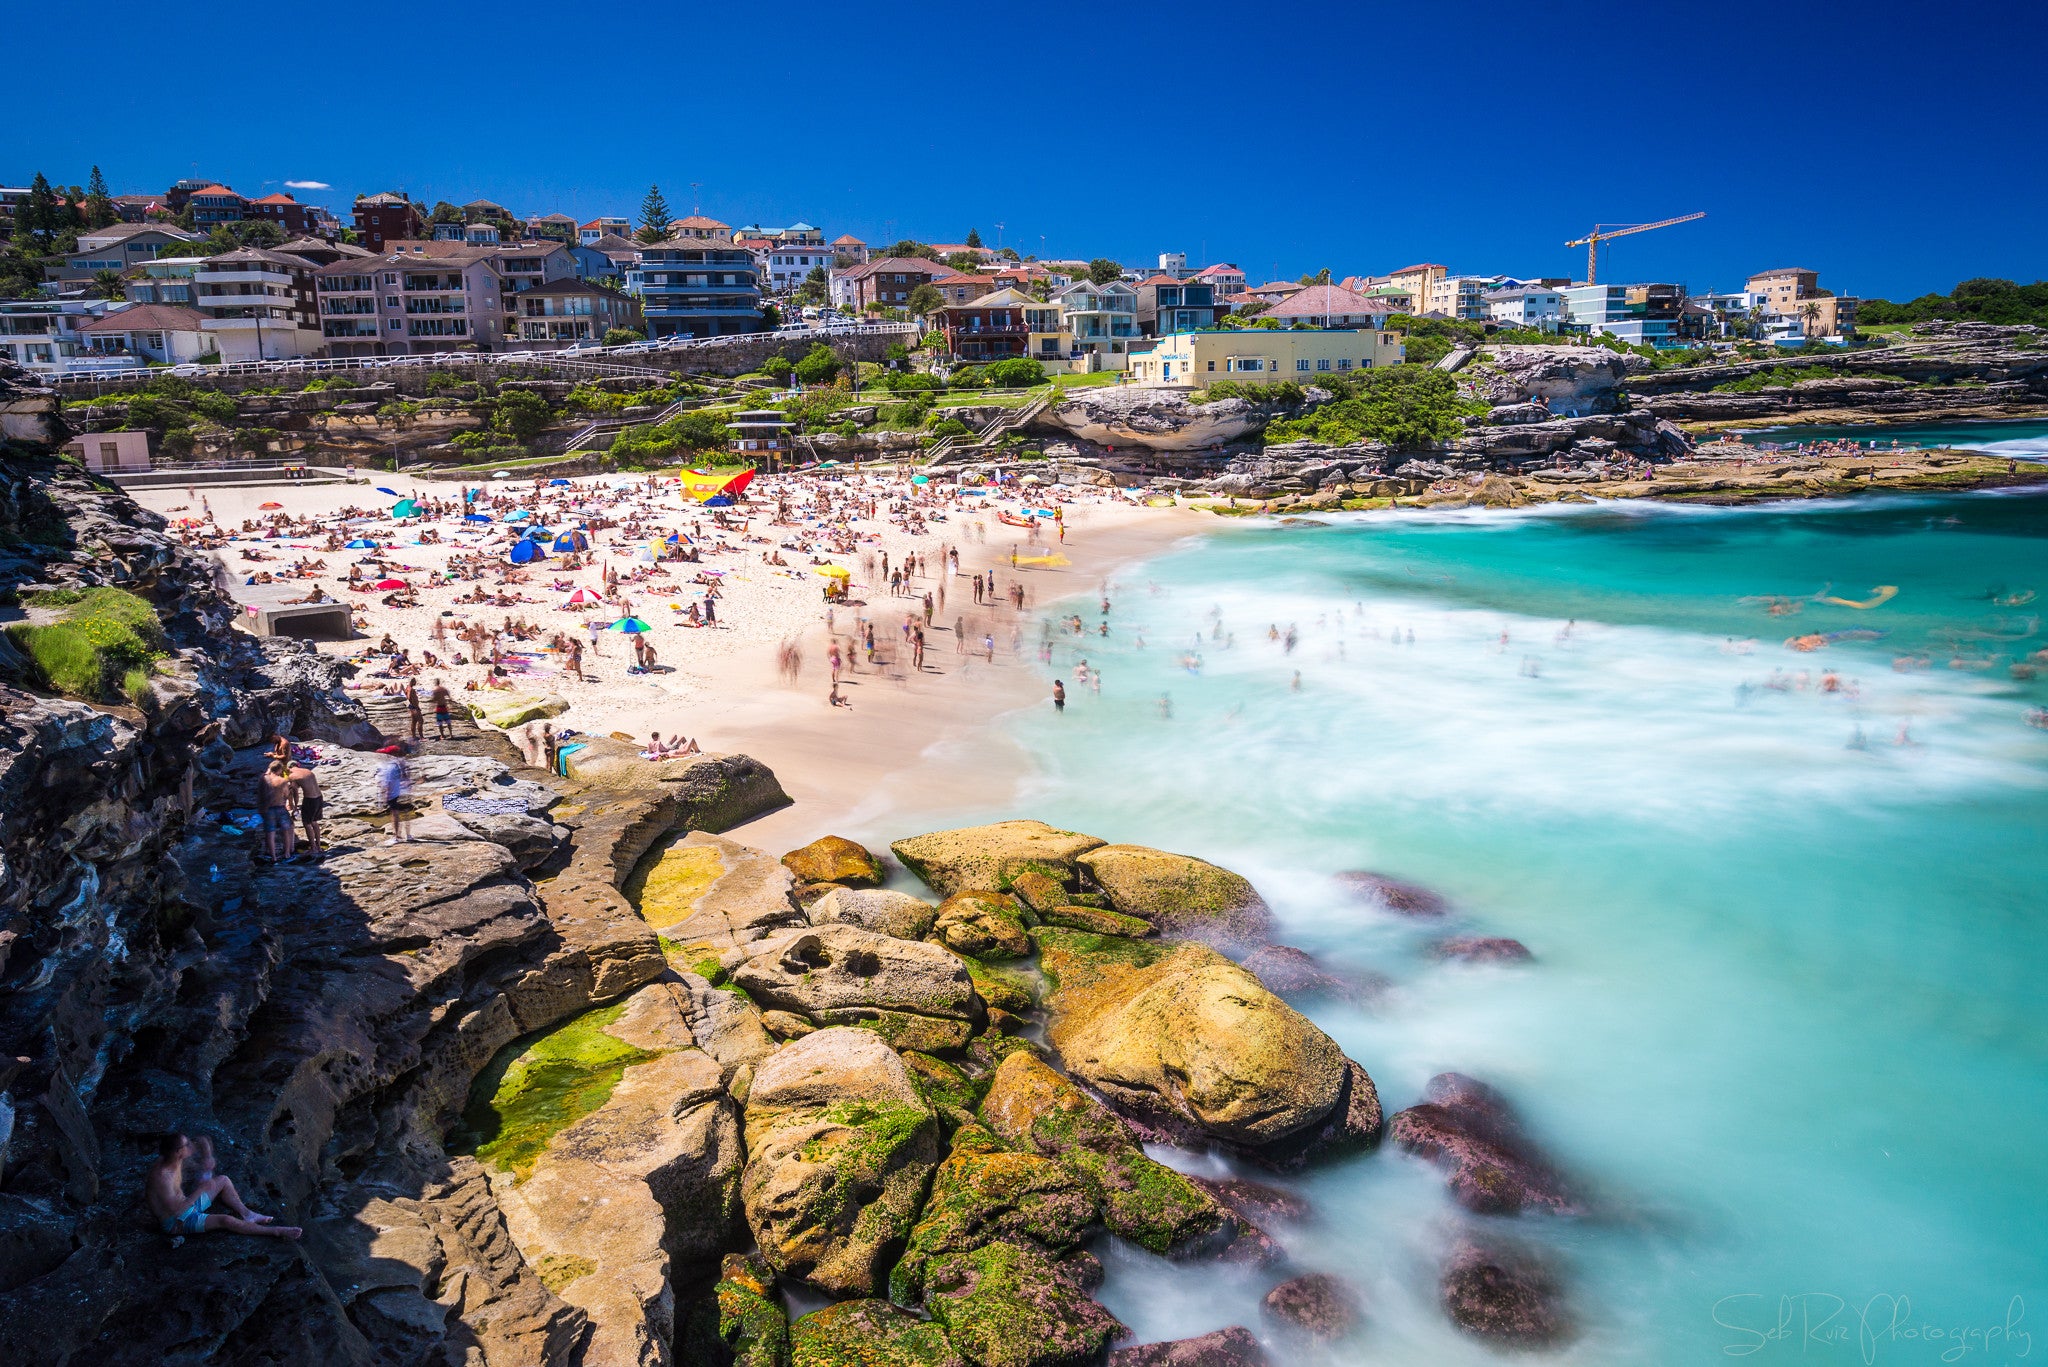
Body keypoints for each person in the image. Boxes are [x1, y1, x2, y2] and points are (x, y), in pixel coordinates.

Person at [148, 1134, 299, 1240]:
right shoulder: (162, 1178)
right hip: (177, 1222)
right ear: (178, 1152)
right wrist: (201, 1189)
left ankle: (248, 1214)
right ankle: (276, 1231)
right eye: (186, 1145)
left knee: (223, 1180)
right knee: (225, 1220)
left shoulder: (173, 1158)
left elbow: (202, 1140)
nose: (190, 1146)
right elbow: (177, 1211)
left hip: (187, 1205)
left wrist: (208, 1157)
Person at [258, 759, 296, 863]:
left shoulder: (263, 778)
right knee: (287, 830)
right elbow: (286, 794)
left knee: (270, 833)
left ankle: (273, 857)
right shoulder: (282, 781)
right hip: (280, 807)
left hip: (267, 809)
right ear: (279, 770)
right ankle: (287, 854)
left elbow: (260, 793)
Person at [290, 758, 324, 859]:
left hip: (310, 799)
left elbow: (295, 794)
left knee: (307, 823)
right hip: (319, 798)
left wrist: (295, 807)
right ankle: (318, 846)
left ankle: (313, 848)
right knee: (314, 822)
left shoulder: (292, 775)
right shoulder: (308, 771)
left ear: (289, 768)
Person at [381, 755, 413, 845]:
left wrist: (386, 794)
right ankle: (408, 835)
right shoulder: (404, 765)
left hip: (395, 793)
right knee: (406, 814)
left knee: (395, 815)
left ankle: (396, 837)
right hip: (405, 792)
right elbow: (408, 779)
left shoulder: (391, 767)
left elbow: (389, 782)